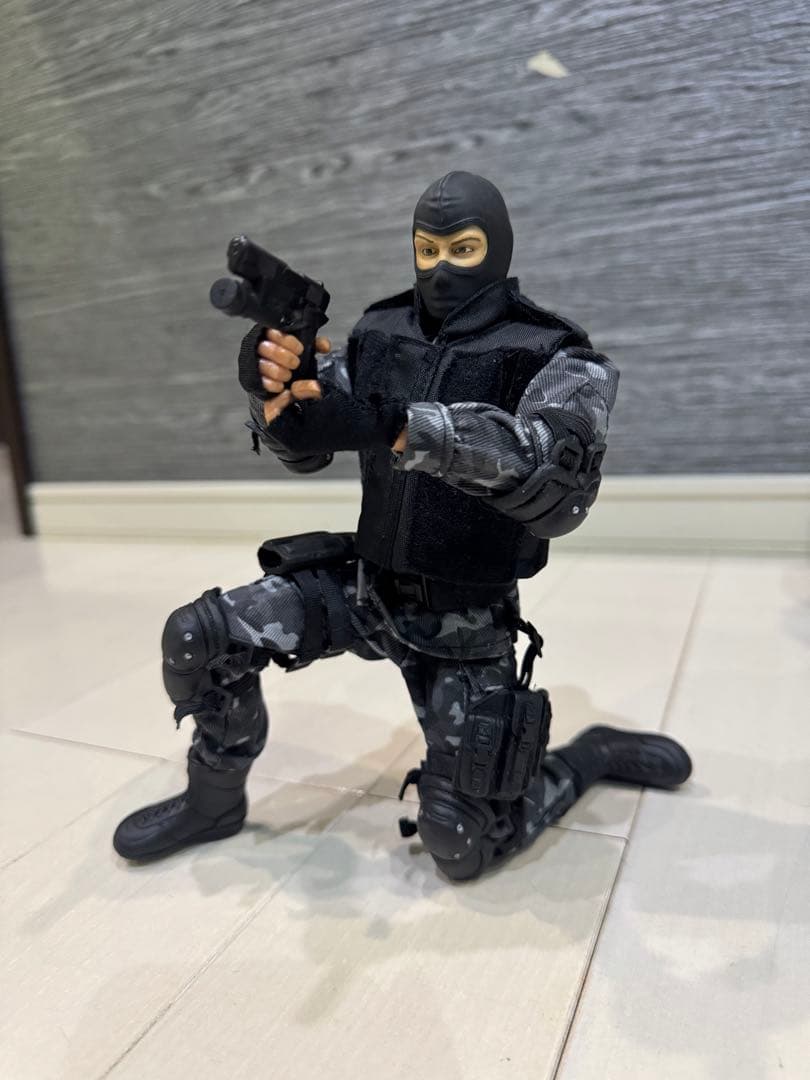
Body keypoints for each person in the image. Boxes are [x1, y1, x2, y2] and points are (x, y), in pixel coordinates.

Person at [113, 172, 691, 881]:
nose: (441, 268)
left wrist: (400, 425)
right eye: (427, 249)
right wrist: (277, 397)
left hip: (464, 621)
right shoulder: (380, 331)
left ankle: (587, 757)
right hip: (366, 588)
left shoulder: (554, 352)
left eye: (463, 248)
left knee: (464, 843)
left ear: (498, 248)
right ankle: (212, 802)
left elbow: (553, 482)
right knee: (199, 637)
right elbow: (310, 446)